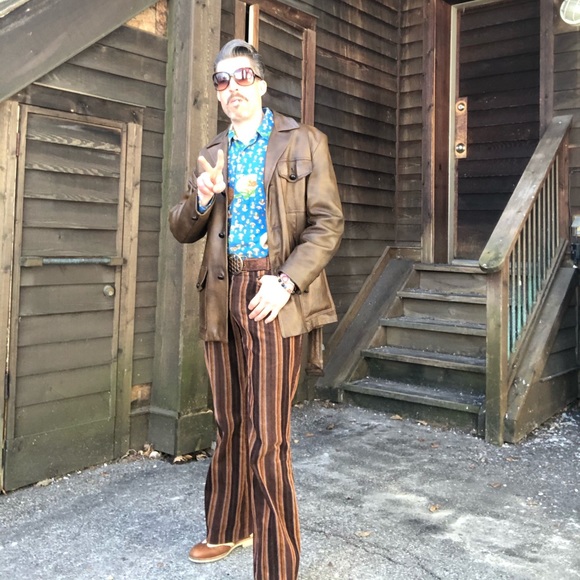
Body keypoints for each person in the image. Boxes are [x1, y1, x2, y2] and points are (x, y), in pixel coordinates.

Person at [169, 39, 344, 580]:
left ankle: (276, 565)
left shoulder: (304, 140)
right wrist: (202, 197)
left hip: (274, 295)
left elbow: (327, 224)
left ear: (262, 85)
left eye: (242, 76)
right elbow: (181, 228)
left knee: (268, 436)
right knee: (229, 423)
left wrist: (287, 282)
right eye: (222, 80)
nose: (232, 88)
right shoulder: (213, 151)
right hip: (222, 296)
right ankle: (228, 526)